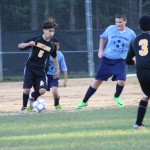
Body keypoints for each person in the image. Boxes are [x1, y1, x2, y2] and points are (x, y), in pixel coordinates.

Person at [75, 11, 136, 109]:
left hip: (121, 60)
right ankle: (84, 101)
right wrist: (100, 50)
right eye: (116, 22)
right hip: (107, 60)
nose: (118, 24)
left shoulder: (131, 33)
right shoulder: (110, 29)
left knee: (122, 81)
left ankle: (117, 96)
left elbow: (134, 46)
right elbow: (102, 38)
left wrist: (134, 57)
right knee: (96, 82)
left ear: (125, 21)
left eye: (120, 22)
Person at [18, 17, 60, 114]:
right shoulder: (36, 40)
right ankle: (24, 107)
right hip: (30, 68)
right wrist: (29, 43)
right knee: (26, 90)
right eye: (50, 31)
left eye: (53, 31)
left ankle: (32, 96)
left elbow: (55, 57)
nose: (52, 33)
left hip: (41, 71)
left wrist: (58, 70)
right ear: (44, 30)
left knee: (42, 91)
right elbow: (20, 46)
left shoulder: (52, 46)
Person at [126, 15, 150, 129]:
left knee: (146, 96)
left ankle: (138, 123)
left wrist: (137, 62)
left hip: (141, 73)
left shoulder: (135, 40)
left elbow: (128, 60)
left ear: (140, 26)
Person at [46, 37, 68, 111]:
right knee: (39, 91)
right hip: (44, 76)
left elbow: (64, 68)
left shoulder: (60, 55)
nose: (56, 47)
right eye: (54, 45)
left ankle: (57, 104)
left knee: (55, 91)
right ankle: (31, 104)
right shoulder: (45, 53)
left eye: (57, 45)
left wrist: (65, 80)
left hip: (54, 76)